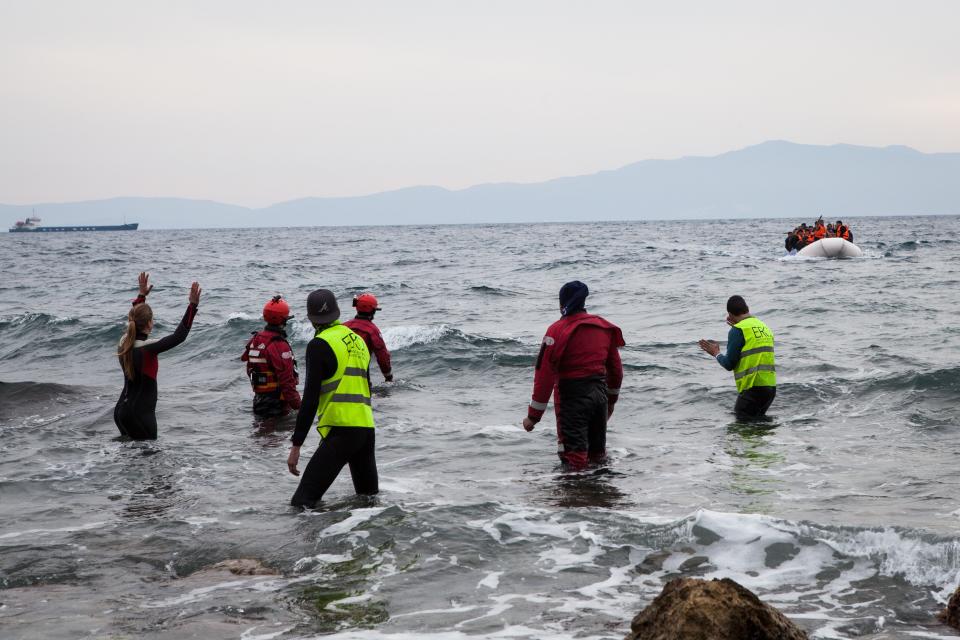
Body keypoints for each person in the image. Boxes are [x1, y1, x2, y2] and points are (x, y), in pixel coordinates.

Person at [287, 289, 378, 508]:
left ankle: (321, 540)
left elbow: (310, 399)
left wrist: (296, 445)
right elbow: (366, 387)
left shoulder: (319, 344)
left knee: (302, 503)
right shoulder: (357, 341)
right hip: (366, 429)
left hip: (341, 431)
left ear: (311, 318)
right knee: (368, 501)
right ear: (336, 311)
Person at [521, 281, 624, 470]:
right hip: (599, 397)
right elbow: (616, 370)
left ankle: (576, 497)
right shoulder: (603, 327)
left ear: (562, 304)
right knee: (597, 456)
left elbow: (544, 376)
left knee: (574, 460)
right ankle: (600, 496)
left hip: (573, 399)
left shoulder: (556, 331)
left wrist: (533, 417)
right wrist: (610, 401)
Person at [115, 272, 201, 440]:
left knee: (128, 463)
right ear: (149, 323)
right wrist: (192, 306)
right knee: (150, 463)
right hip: (140, 416)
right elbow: (179, 336)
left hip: (120, 412)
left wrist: (141, 296)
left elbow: (134, 318)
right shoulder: (148, 348)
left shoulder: (123, 342)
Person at [698, 295, 776, 420]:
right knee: (759, 429)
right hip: (770, 388)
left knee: (742, 430)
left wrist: (716, 353)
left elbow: (729, 364)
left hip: (752, 388)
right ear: (747, 308)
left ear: (729, 314)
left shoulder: (738, 330)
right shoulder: (764, 327)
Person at [241, 295, 302, 417]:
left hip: (259, 401)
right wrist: (300, 407)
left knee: (263, 433)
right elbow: (287, 381)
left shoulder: (255, 339)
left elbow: (248, 366)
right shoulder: (278, 344)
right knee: (280, 434)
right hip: (276, 404)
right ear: (283, 321)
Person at [344, 293, 393, 382]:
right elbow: (382, 356)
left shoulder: (344, 326)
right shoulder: (372, 330)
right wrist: (388, 376)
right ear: (372, 311)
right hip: (361, 374)